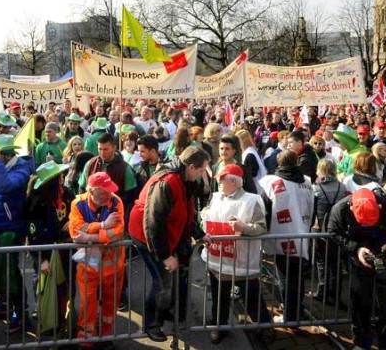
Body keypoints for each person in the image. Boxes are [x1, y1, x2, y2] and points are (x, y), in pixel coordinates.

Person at [128, 146, 211, 343]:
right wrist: (165, 256)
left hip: (160, 234)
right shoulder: (168, 182)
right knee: (163, 283)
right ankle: (151, 324)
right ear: (191, 167)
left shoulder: (183, 179)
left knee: (168, 282)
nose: (202, 175)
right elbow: (153, 222)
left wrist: (198, 234)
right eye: (201, 170)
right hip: (146, 236)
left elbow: (184, 212)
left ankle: (163, 313)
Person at [328, 187, 386, 350]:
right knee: (360, 303)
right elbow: (334, 232)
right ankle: (361, 342)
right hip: (359, 261)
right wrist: (356, 248)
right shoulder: (340, 210)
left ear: (380, 208)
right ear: (352, 209)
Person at [200, 164, 269, 344]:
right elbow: (205, 215)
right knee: (219, 298)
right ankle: (219, 327)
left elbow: (262, 227)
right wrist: (205, 216)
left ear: (233, 181)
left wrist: (242, 227)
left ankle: (264, 326)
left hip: (242, 262)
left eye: (222, 179)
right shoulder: (215, 197)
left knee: (251, 297)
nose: (219, 182)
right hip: (218, 261)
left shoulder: (252, 200)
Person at [0, 134, 34, 332]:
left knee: (10, 274)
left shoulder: (21, 168)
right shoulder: (4, 167)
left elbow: (5, 186)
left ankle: (21, 314)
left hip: (10, 230)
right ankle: (4, 304)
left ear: (5, 155)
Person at [69, 172, 125, 341]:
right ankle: (86, 338)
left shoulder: (116, 201)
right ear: (92, 190)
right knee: (87, 302)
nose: (109, 194)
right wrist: (102, 226)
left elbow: (117, 232)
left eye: (110, 190)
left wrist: (89, 237)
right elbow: (75, 230)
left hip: (113, 265)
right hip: (88, 266)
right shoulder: (78, 203)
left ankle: (106, 335)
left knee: (111, 302)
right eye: (104, 191)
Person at [259, 150, 314, 324]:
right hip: (303, 235)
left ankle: (290, 315)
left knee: (285, 278)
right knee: (297, 276)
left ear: (278, 162)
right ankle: (296, 309)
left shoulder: (270, 183)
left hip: (280, 237)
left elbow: (264, 211)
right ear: (296, 161)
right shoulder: (306, 181)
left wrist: (262, 234)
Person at [311, 158, 346, 302]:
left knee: (321, 261)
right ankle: (336, 293)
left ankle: (322, 290)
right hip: (338, 227)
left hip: (320, 228)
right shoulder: (342, 187)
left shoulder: (316, 189)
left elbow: (312, 209)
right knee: (336, 262)